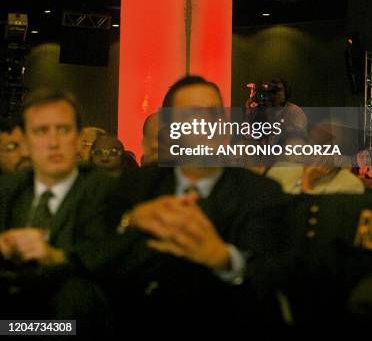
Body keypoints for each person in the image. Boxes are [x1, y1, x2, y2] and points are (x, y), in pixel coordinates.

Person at [94, 75, 291, 333]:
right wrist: (130, 221)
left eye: (212, 115)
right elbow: (98, 259)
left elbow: (275, 276)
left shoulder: (261, 194)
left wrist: (225, 260)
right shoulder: (132, 187)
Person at [0, 88, 123, 331]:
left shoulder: (106, 189)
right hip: (11, 315)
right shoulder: (7, 188)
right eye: (41, 131)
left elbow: (104, 257)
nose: (54, 143)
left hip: (72, 316)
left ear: (79, 140)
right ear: (24, 144)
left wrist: (55, 256)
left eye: (63, 130)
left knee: (76, 294)